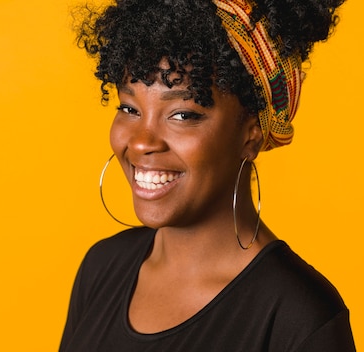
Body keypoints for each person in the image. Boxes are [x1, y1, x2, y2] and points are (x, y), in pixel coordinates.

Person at [60, 0, 356, 351]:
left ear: (251, 133)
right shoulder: (102, 268)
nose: (141, 143)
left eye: (183, 114)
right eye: (129, 108)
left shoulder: (299, 317)